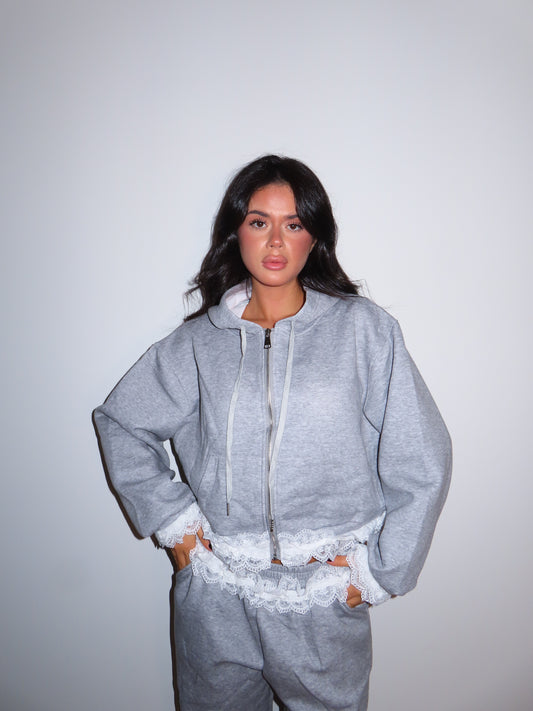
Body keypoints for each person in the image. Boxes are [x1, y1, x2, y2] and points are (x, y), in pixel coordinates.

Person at [93, 155, 452, 711]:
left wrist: (378, 573)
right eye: (259, 221)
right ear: (235, 232)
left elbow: (422, 459)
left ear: (316, 237)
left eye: (294, 223)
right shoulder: (198, 344)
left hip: (322, 602)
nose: (276, 241)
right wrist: (176, 529)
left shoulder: (364, 332)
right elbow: (121, 422)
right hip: (216, 599)